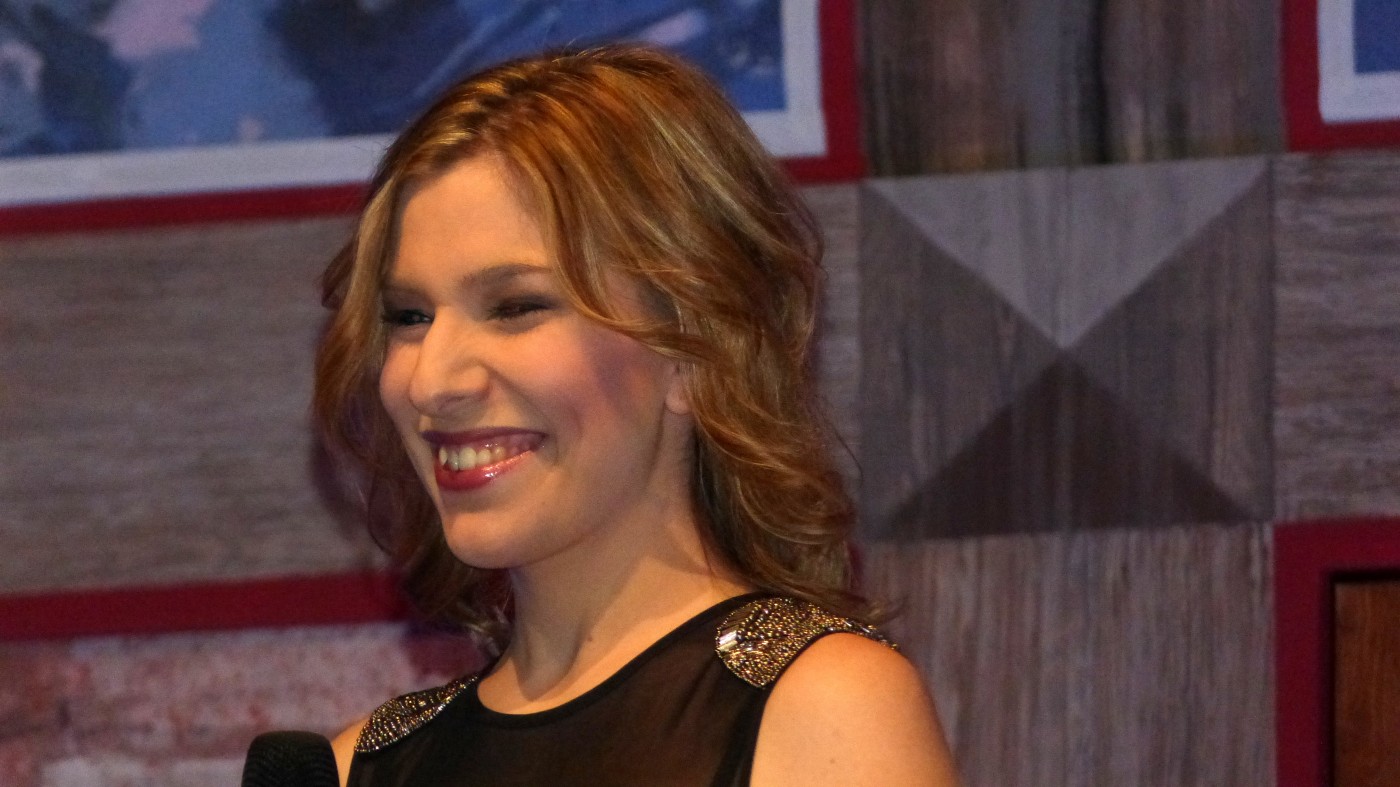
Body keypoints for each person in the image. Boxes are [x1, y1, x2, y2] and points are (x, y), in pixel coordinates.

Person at [313, 44, 959, 786]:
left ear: (694, 346)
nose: (433, 381)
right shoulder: (358, 768)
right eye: (409, 316)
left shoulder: (822, 706)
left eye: (516, 307)